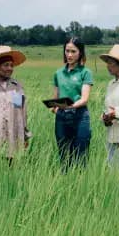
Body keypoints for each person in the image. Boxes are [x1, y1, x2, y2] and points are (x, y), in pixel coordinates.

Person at [50, 37, 94, 168]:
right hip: (62, 117)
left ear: (80, 52)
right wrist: (54, 107)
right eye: (67, 51)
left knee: (80, 155)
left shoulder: (85, 73)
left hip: (80, 116)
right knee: (64, 155)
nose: (69, 54)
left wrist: (70, 106)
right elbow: (56, 97)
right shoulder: (58, 73)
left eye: (73, 51)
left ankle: (80, 184)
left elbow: (85, 98)